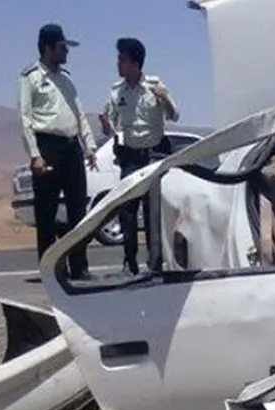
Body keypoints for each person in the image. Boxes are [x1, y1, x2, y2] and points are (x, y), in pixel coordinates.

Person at [18, 23, 98, 281]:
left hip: (71, 147)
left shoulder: (66, 79)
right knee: (46, 213)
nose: (66, 52)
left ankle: (79, 266)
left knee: (78, 211)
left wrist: (90, 146)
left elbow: (79, 114)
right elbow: (25, 118)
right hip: (47, 148)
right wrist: (35, 155)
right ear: (48, 48)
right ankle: (50, 269)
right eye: (62, 47)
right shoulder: (30, 78)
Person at [99, 37, 179, 275]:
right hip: (130, 158)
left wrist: (163, 97)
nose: (118, 64)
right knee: (127, 212)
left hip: (153, 155)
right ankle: (129, 262)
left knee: (152, 211)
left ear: (135, 63)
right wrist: (104, 123)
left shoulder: (155, 85)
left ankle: (155, 263)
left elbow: (175, 115)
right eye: (118, 59)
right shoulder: (117, 91)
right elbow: (109, 126)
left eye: (122, 60)